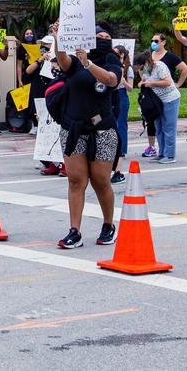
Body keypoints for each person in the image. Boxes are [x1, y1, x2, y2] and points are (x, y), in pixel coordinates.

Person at [53, 23, 122, 249]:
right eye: (98, 35)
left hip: (102, 131)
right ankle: (75, 231)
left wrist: (89, 64)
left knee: (100, 181)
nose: (102, 38)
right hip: (74, 129)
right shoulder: (76, 59)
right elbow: (63, 62)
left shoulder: (112, 60)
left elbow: (111, 80)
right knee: (76, 181)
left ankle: (108, 225)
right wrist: (58, 39)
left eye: (106, 35)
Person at [138, 45, 185, 164]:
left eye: (141, 66)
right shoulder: (145, 69)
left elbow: (168, 82)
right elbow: (145, 80)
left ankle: (170, 155)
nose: (140, 69)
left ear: (146, 62)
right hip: (157, 101)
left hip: (170, 99)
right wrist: (142, 82)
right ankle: (162, 153)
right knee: (158, 127)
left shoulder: (160, 66)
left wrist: (151, 83)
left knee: (168, 127)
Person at [28, 35, 65, 176]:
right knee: (47, 133)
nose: (44, 47)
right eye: (42, 44)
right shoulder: (41, 60)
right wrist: (41, 59)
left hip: (57, 100)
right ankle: (52, 163)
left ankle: (63, 163)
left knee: (59, 133)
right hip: (43, 98)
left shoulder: (62, 67)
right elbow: (29, 71)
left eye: (47, 44)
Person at [111, 45, 134, 183]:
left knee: (121, 124)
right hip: (111, 94)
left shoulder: (127, 68)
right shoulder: (110, 65)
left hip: (121, 94)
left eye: (118, 54)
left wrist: (123, 81)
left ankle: (122, 150)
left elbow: (131, 88)